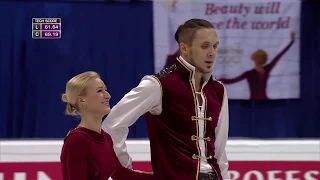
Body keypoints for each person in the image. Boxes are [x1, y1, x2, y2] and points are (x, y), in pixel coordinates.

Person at [102, 19, 229, 180]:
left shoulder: (218, 90)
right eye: (204, 46)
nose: (212, 52)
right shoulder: (158, 85)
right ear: (184, 48)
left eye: (215, 46)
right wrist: (123, 170)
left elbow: (219, 148)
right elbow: (113, 125)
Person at [60, 71, 153, 180]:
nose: (108, 96)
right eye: (100, 91)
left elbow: (121, 174)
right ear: (82, 100)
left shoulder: (106, 138)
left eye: (106, 90)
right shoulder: (77, 140)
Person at [219, 32, 295, 100]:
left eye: (255, 54)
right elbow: (232, 81)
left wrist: (291, 42)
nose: (252, 55)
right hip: (254, 102)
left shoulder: (266, 69)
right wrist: (217, 80)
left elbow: (279, 56)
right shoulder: (249, 73)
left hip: (263, 101)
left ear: (258, 58)